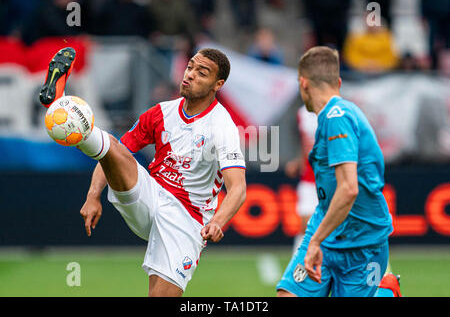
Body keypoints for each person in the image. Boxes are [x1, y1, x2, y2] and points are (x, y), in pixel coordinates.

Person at [40, 47, 247, 297]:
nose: (190, 74)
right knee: (117, 148)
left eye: (201, 73)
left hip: (187, 219)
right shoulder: (161, 113)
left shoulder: (222, 126)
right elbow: (116, 151)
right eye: (190, 67)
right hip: (150, 195)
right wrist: (93, 194)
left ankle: (68, 113)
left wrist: (217, 222)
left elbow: (237, 188)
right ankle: (65, 109)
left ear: (218, 84)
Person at [276, 46, 401, 297]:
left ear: (303, 83)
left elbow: (348, 188)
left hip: (363, 242)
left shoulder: (337, 116)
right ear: (339, 82)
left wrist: (314, 241)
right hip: (329, 231)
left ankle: (386, 293)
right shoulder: (332, 117)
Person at [284, 105, 318, 253]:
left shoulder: (335, 113)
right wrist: (299, 163)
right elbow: (306, 147)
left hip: (332, 181)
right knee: (306, 225)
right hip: (309, 180)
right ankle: (297, 267)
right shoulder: (302, 114)